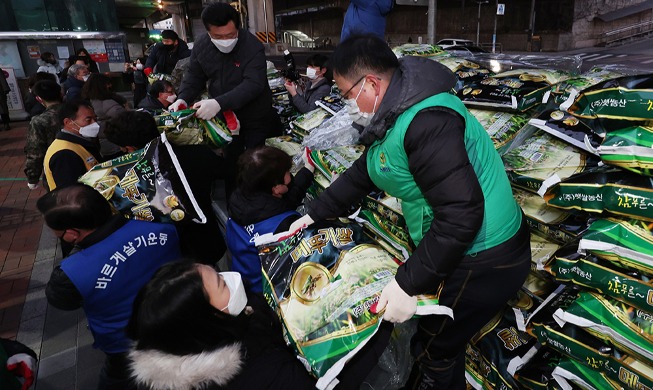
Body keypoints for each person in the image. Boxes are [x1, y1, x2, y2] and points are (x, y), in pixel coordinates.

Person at [291, 35, 531, 389]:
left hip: (483, 257)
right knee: (438, 336)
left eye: (345, 95)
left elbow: (462, 214)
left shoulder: (428, 121)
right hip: (465, 246)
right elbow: (367, 170)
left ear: (371, 83)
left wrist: (406, 283)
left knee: (436, 345)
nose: (348, 106)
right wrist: (315, 213)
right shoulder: (395, 110)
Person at [127, 261, 390, 390]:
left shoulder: (183, 336)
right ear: (207, 318)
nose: (232, 278)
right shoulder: (260, 376)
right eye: (220, 283)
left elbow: (261, 310)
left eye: (218, 272)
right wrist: (378, 326)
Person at [40, 184, 181, 390]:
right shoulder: (164, 229)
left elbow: (62, 301)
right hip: (176, 323)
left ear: (72, 234)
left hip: (125, 349)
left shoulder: (69, 274)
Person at [169, 3, 282, 194]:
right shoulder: (202, 46)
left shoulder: (252, 46)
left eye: (230, 35)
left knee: (255, 162)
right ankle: (234, 205)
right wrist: (182, 98)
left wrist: (218, 103)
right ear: (208, 32)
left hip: (255, 115)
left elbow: (254, 84)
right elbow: (194, 76)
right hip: (226, 117)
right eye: (219, 37)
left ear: (237, 27)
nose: (226, 41)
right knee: (232, 161)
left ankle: (256, 202)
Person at [104, 110, 227, 266]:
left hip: (165, 252)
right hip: (206, 239)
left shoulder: (127, 177)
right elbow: (226, 170)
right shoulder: (196, 152)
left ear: (129, 147)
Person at [226, 146, 314, 293]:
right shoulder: (286, 223)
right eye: (287, 172)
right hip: (267, 292)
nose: (290, 175)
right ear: (276, 189)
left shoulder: (238, 198)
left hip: (242, 278)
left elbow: (283, 204)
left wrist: (307, 170)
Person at [43, 100, 102, 190]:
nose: (94, 124)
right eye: (88, 120)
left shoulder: (79, 142)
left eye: (95, 119)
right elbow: (71, 194)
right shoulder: (64, 154)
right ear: (68, 122)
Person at [24, 80, 63, 190]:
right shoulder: (78, 111)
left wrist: (32, 177)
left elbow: (35, 151)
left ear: (39, 99)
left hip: (55, 169)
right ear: (61, 94)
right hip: (85, 162)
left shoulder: (39, 121)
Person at [81, 73, 127, 159]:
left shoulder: (89, 101)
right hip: (117, 144)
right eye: (108, 84)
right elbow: (126, 120)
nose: (110, 85)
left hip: (103, 145)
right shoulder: (108, 103)